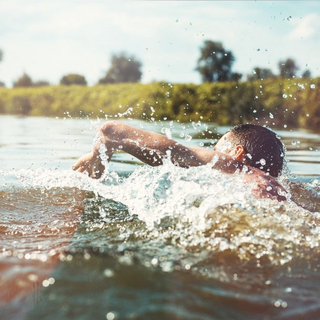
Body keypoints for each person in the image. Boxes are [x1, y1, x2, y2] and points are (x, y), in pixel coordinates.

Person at [73, 121, 287, 201]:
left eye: (216, 149)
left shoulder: (232, 164)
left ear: (237, 153)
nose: (214, 153)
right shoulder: (278, 188)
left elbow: (113, 130)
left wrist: (98, 154)